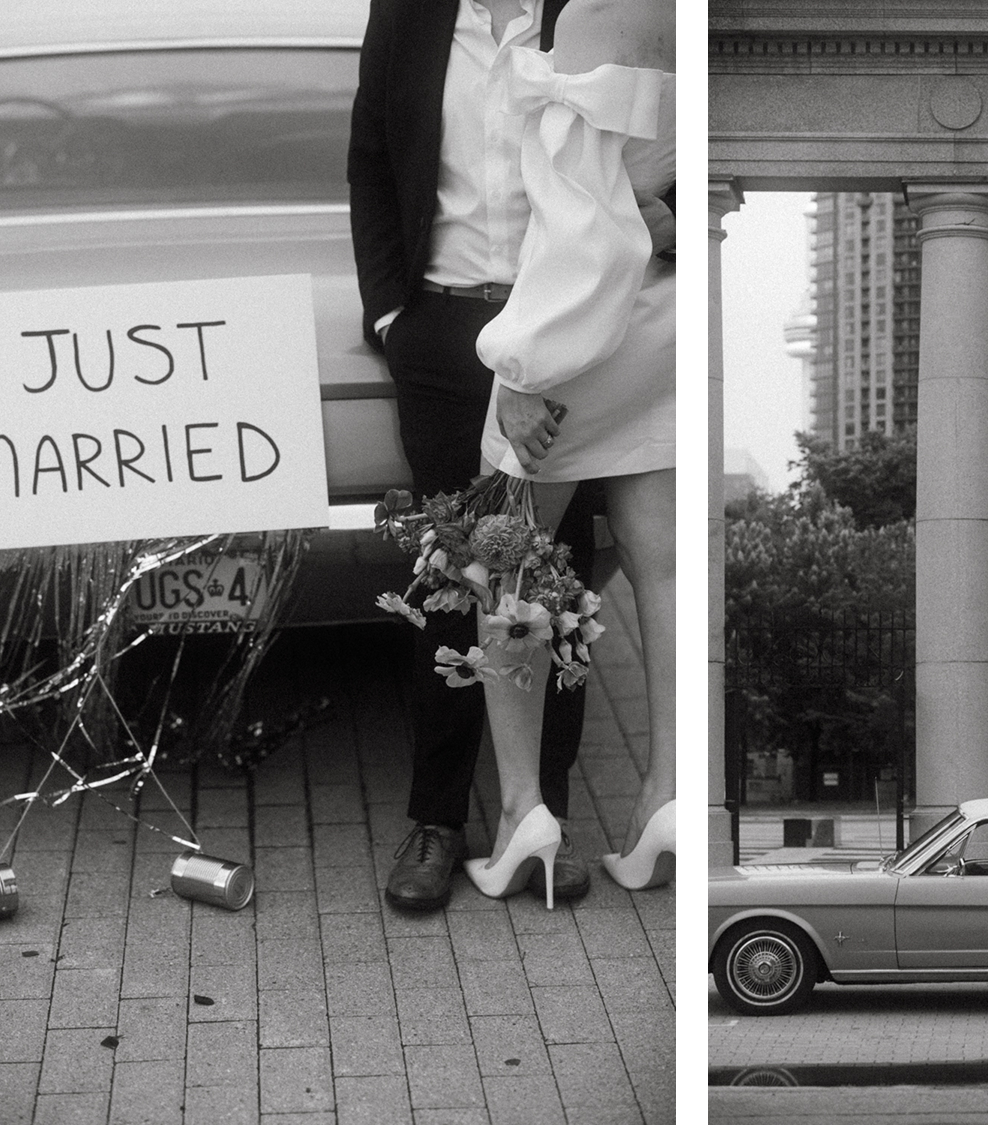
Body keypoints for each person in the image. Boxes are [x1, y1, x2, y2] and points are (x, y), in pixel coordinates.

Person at [349, 0, 603, 912]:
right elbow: (371, 161)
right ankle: (436, 819)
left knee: (549, 582)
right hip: (444, 324)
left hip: (562, 327)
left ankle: (537, 815)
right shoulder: (407, 13)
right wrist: (392, 314)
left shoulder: (587, 14)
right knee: (452, 578)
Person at [458, 0, 677, 903]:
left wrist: (521, 367)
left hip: (582, 333)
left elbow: (581, 234)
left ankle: (523, 814)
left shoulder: (601, 16)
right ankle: (666, 800)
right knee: (664, 571)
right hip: (670, 316)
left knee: (504, 571)